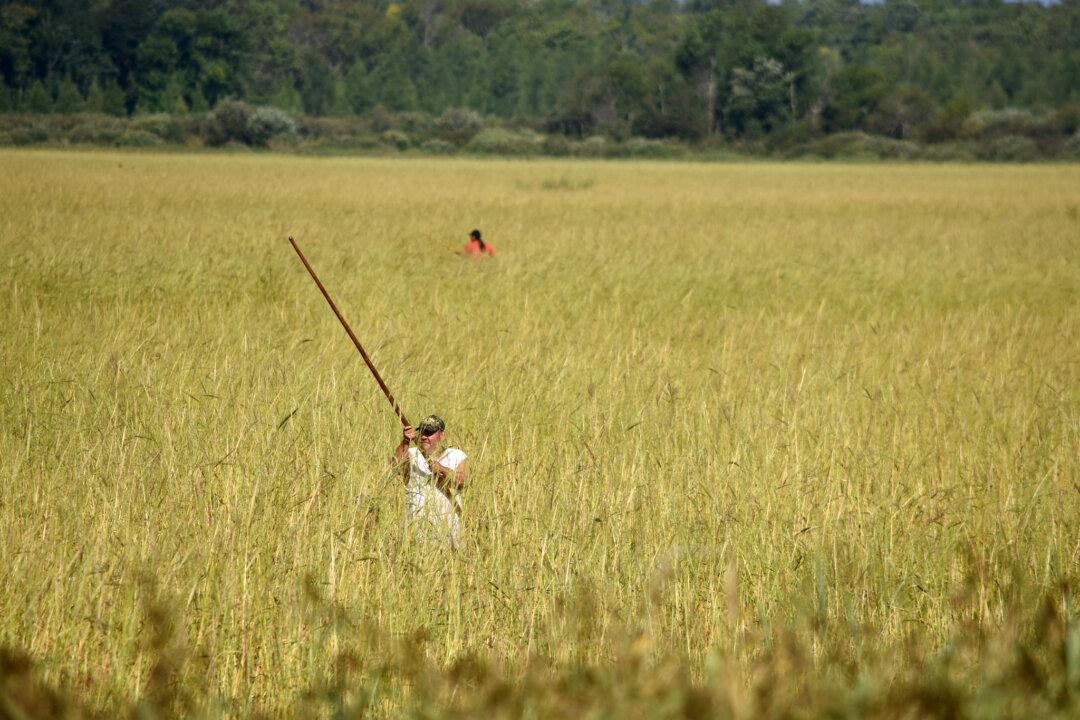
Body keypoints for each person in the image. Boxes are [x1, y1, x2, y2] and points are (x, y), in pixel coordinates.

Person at [393, 415, 467, 546]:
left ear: (442, 435)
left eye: (429, 432)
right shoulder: (411, 453)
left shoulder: (456, 455)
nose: (423, 436)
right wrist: (405, 441)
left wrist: (441, 469)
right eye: (421, 432)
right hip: (416, 532)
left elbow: (462, 482)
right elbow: (395, 466)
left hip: (449, 532)